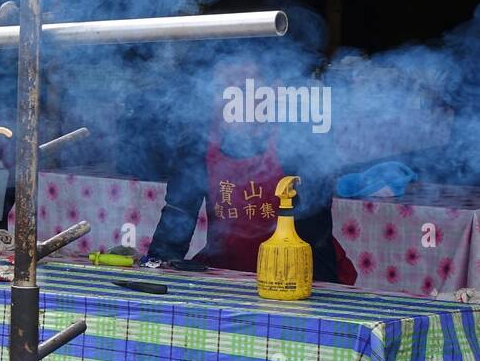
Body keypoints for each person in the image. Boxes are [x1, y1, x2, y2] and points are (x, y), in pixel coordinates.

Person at [145, 62, 357, 285]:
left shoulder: (297, 144)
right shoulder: (197, 145)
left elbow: (316, 235)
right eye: (222, 89)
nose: (232, 101)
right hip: (225, 274)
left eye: (243, 89)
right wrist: (156, 268)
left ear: (273, 91)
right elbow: (178, 215)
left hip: (295, 274)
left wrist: (319, 291)